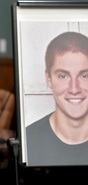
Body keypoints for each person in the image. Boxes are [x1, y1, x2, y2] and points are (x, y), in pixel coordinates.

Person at [26, 31, 88, 166]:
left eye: (84, 75)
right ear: (48, 79)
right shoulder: (28, 140)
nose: (74, 89)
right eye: (62, 76)